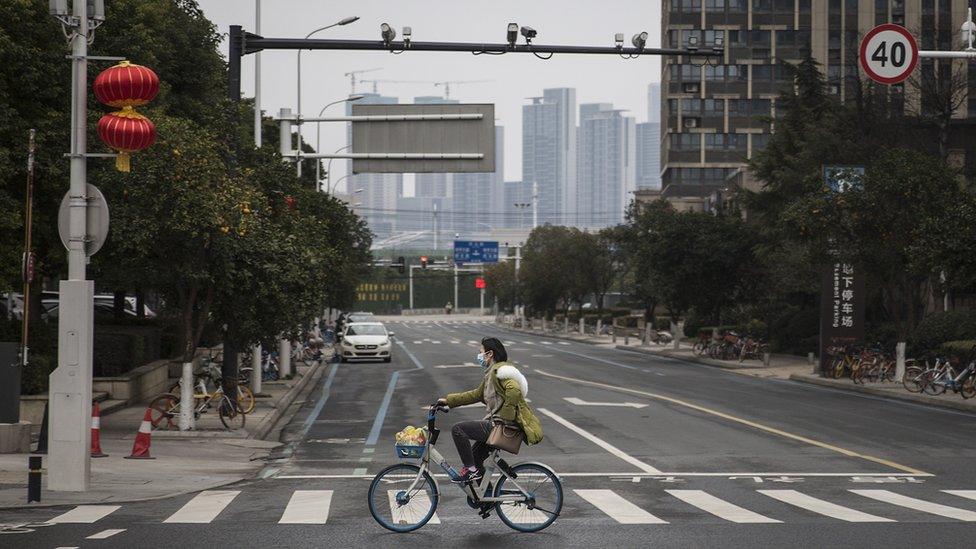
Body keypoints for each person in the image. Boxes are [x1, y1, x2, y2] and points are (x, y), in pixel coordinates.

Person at [437, 337, 543, 483]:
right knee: (474, 460)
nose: (479, 355)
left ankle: (471, 471)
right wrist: (448, 401)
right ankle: (485, 499)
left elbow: (514, 390)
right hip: (495, 425)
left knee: (458, 430)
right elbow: (475, 395)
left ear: (489, 354)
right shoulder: (490, 373)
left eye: (480, 352)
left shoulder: (501, 371)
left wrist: (507, 415)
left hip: (499, 426)